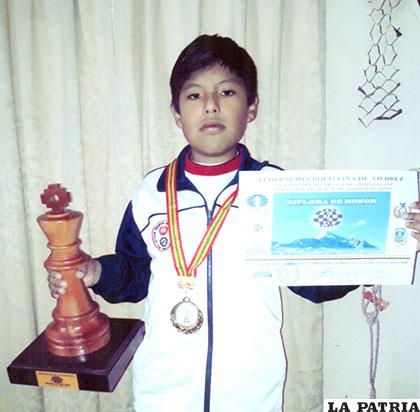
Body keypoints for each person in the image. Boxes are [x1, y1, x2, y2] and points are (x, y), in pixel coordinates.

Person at [48, 34, 420, 412]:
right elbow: (135, 275)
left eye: (227, 93)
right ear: (177, 113)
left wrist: (393, 238)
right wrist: (95, 271)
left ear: (252, 107)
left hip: (251, 392)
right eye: (194, 96)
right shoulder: (151, 193)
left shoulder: (279, 191)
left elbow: (314, 283)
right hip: (163, 390)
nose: (210, 106)